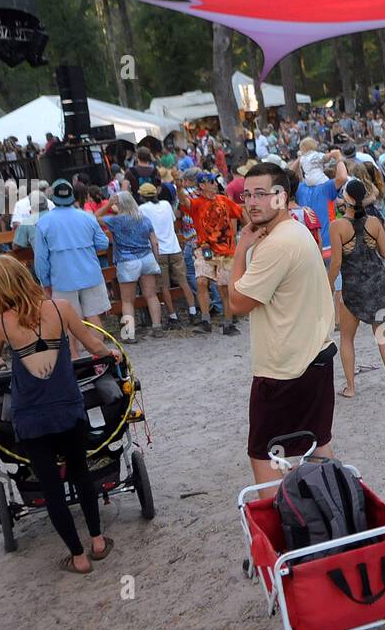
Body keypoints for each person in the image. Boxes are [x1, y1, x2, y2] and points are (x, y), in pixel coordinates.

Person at [0, 255, 120, 574]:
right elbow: (91, 344)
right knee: (81, 473)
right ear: (25, 276)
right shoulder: (60, 308)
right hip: (68, 408)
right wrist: (109, 353)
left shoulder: (0, 323)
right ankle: (98, 540)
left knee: (52, 488)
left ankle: (78, 557)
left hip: (31, 416)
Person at [227, 162, 337, 497]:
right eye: (247, 194)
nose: (252, 202)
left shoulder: (275, 244)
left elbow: (237, 302)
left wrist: (241, 248)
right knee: (316, 445)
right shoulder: (297, 230)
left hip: (284, 369)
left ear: (282, 197)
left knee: (265, 452)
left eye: (262, 194)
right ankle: (333, 514)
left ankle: (281, 525)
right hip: (314, 356)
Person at [327, 178, 385, 398]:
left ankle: (350, 387)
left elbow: (337, 262)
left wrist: (328, 285)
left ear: (347, 199)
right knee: (382, 334)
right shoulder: (374, 223)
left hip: (352, 286)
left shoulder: (337, 226)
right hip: (376, 283)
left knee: (347, 338)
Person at [32, 178, 111, 353]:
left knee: (67, 320)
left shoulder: (43, 223)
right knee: (93, 316)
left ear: (53, 198)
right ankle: (98, 357)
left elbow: (40, 259)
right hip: (90, 274)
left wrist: (45, 282)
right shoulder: (87, 217)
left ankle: (74, 360)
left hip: (62, 278)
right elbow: (103, 243)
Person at [101, 191, 164, 342]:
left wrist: (108, 205)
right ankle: (157, 327)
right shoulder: (144, 218)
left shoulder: (116, 221)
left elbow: (93, 218)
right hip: (147, 258)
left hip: (127, 261)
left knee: (128, 300)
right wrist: (155, 260)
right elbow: (155, 242)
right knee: (151, 295)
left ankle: (129, 334)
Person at [186, 174, 243, 335]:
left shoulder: (224, 200)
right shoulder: (197, 203)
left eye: (214, 181)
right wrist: (177, 185)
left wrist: (249, 230)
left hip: (226, 251)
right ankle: (205, 321)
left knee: (224, 288)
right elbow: (184, 203)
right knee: (201, 281)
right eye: (210, 182)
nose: (214, 184)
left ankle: (228, 323)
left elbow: (239, 212)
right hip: (205, 249)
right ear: (202, 186)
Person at [137, 182, 193, 331]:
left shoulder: (142, 209)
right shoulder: (166, 204)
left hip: (159, 250)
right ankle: (193, 311)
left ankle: (173, 316)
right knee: (183, 281)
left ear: (142, 196)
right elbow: (174, 220)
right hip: (174, 247)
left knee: (164, 286)